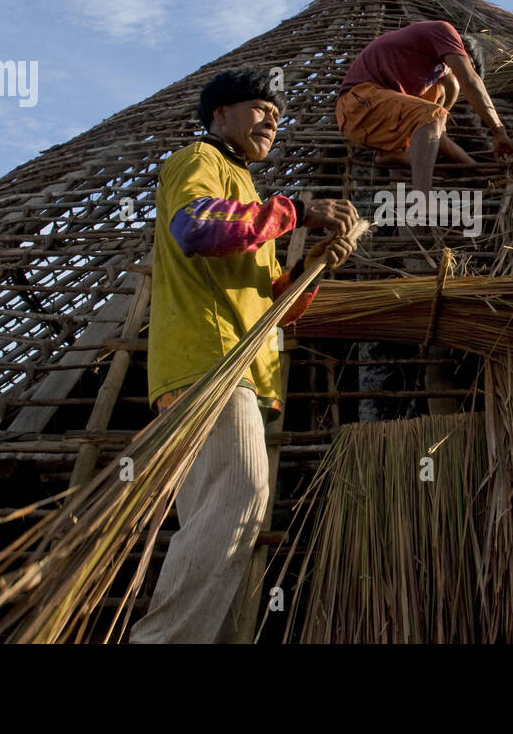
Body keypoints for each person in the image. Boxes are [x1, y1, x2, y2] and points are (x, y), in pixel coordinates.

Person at [130, 67, 357, 644]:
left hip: (238, 368)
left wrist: (315, 268)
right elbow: (198, 229)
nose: (271, 124)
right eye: (259, 110)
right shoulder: (199, 161)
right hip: (209, 363)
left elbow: (276, 304)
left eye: (278, 120)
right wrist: (300, 212)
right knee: (241, 497)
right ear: (219, 115)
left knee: (218, 514)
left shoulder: (247, 192)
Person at [335, 20, 513, 197]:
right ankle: (422, 198)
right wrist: (499, 131)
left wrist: (477, 169)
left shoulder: (431, 81)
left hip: (372, 118)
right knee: (434, 114)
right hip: (358, 103)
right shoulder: (444, 30)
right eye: (464, 65)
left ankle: (397, 154)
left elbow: (438, 137)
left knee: (433, 126)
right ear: (463, 52)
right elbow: (469, 81)